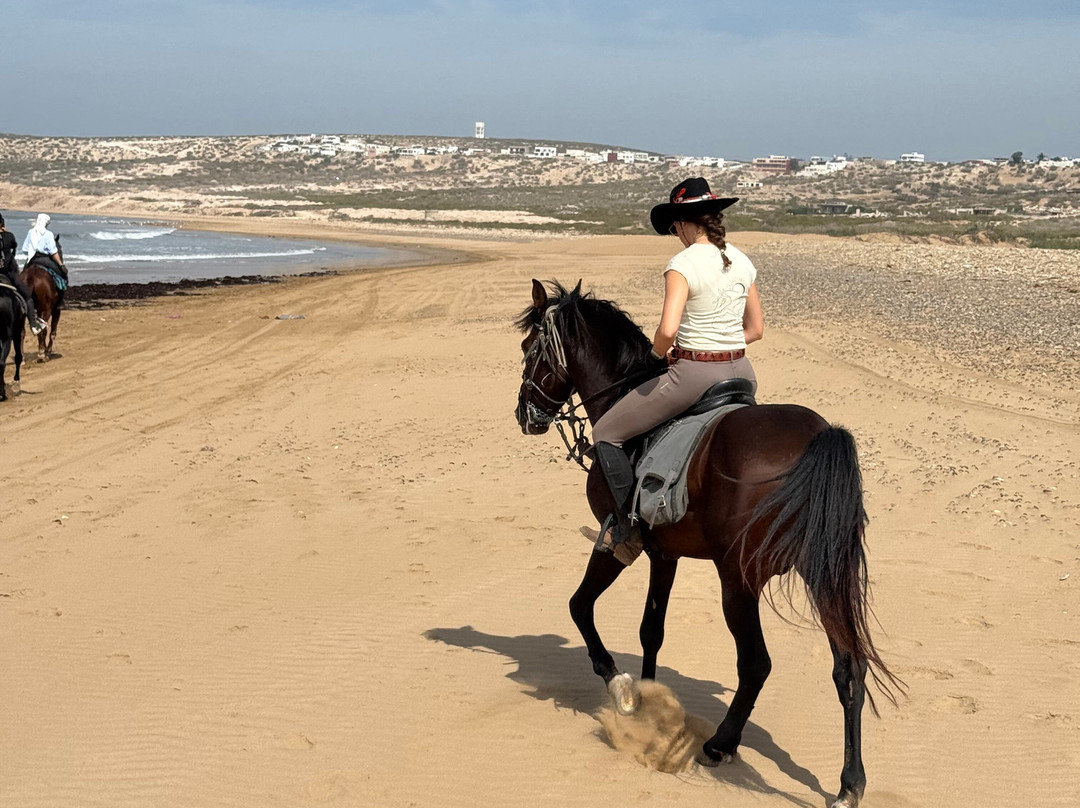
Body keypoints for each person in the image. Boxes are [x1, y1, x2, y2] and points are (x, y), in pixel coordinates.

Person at [590, 177, 764, 545]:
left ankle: (627, 533)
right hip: (743, 374)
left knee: (605, 433)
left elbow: (668, 330)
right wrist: (724, 344)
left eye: (673, 228)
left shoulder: (682, 263)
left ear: (684, 223)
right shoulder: (741, 259)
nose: (675, 235)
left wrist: (657, 356)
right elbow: (756, 329)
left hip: (694, 376)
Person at [0, 212, 48, 335]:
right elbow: (14, 246)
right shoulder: (9, 236)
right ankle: (33, 325)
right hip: (8, 273)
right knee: (27, 296)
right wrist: (5, 232)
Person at [22, 213, 69, 284]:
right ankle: (62, 287)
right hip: (45, 259)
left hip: (32, 259)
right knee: (61, 274)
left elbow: (25, 250)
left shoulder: (30, 232)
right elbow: (53, 252)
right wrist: (61, 265)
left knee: (22, 275)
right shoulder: (49, 234)